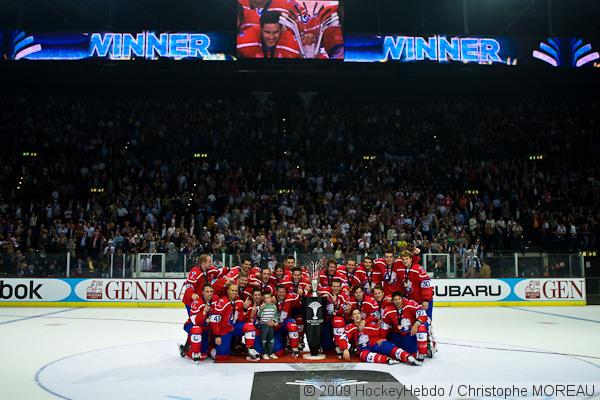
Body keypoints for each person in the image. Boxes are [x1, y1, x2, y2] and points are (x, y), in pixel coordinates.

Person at [339, 309, 421, 366]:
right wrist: (345, 348)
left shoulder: (370, 324)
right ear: (352, 317)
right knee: (363, 355)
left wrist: (382, 338)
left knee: (387, 345)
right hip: (365, 349)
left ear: (361, 315)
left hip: (376, 344)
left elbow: (382, 330)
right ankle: (387, 360)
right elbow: (343, 337)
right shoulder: (350, 327)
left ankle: (408, 357)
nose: (357, 316)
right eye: (354, 314)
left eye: (358, 313)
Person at [394, 250, 436, 357]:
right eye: (403, 259)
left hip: (423, 301)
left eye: (406, 259)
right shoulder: (400, 269)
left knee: (426, 322)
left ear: (411, 259)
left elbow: (426, 283)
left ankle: (430, 343)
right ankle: (418, 344)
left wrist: (426, 300)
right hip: (412, 302)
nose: (404, 261)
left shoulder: (418, 269)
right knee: (414, 323)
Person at [209, 284, 260, 361]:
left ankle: (250, 350)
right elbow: (214, 321)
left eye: (236, 291)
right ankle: (210, 349)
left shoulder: (239, 301)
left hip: (234, 326)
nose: (234, 292)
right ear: (228, 291)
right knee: (222, 357)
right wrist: (217, 335)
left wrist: (245, 309)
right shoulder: (222, 302)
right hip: (224, 330)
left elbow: (240, 319)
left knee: (249, 326)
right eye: (232, 290)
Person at [382, 291, 428, 361]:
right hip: (398, 333)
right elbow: (385, 326)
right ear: (393, 301)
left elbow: (423, 315)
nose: (397, 301)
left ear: (402, 299)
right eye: (395, 299)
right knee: (397, 354)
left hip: (411, 331)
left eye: (399, 299)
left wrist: (416, 324)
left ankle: (425, 348)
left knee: (421, 328)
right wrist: (383, 338)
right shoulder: (388, 311)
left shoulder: (410, 304)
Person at [237, 11, 301, 59]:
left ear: (281, 30)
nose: (271, 37)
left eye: (275, 32)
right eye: (267, 32)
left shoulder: (291, 47)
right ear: (261, 29)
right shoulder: (246, 41)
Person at [180, 284, 218, 361]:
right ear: (202, 292)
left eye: (211, 291)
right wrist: (203, 313)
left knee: (204, 354)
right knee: (196, 329)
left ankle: (194, 347)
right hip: (192, 325)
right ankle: (187, 350)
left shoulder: (215, 299)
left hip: (205, 327)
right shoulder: (196, 303)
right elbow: (194, 321)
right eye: (207, 291)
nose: (209, 293)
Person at [258, 292, 279, 359]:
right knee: (264, 340)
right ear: (263, 299)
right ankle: (265, 353)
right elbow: (259, 316)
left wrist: (274, 322)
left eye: (268, 298)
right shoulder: (262, 306)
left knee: (271, 339)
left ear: (271, 298)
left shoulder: (274, 306)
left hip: (271, 325)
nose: (267, 299)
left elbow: (275, 316)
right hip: (264, 324)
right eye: (265, 298)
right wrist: (261, 310)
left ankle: (271, 353)